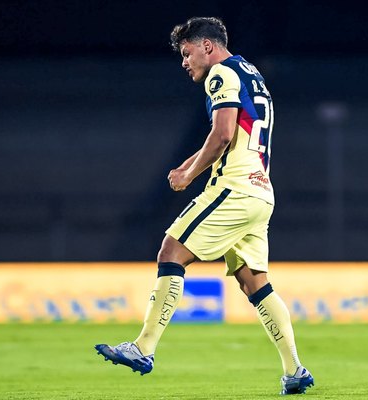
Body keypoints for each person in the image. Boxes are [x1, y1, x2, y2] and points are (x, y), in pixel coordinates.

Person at [95, 17, 314, 395]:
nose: (184, 62)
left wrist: (190, 174)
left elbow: (224, 132)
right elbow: (233, 135)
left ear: (207, 47)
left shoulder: (221, 74)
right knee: (254, 282)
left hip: (235, 187)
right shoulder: (251, 73)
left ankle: (143, 348)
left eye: (187, 52)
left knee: (172, 250)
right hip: (261, 192)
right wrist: (191, 162)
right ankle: (294, 370)